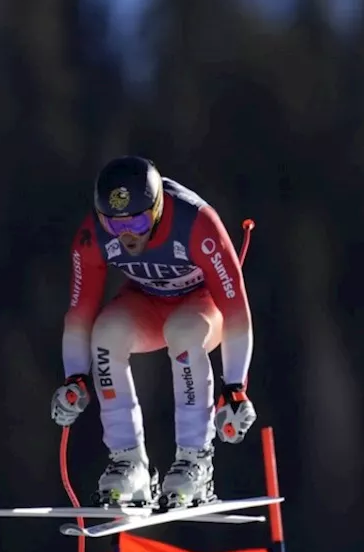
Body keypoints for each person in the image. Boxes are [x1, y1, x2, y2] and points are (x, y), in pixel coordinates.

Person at [50, 155, 257, 509]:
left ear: (159, 208)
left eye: (140, 221)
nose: (128, 235)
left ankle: (195, 461)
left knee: (183, 332)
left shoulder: (197, 223)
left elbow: (236, 310)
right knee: (106, 333)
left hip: (201, 305)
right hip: (147, 301)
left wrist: (236, 387)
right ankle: (129, 463)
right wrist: (75, 379)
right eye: (115, 226)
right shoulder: (92, 236)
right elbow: (79, 314)